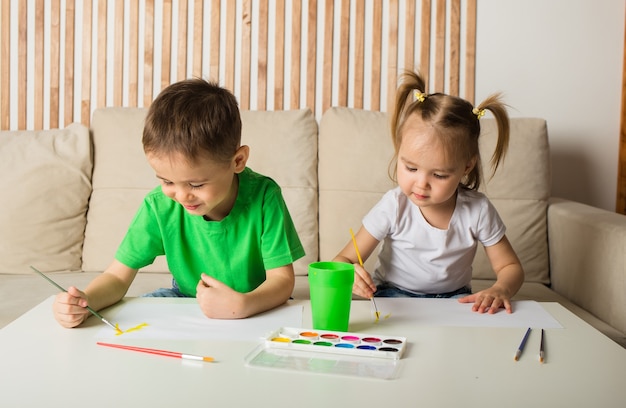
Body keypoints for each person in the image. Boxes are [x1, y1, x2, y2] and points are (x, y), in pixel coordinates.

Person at [53, 78, 305, 327]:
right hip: (188, 299)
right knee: (139, 321)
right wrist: (86, 302)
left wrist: (242, 305)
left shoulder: (264, 197)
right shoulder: (158, 205)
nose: (182, 196)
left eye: (196, 185)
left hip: (256, 303)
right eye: (167, 181)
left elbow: (282, 281)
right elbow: (117, 276)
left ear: (238, 161)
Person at [333, 71, 524, 314]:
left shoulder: (478, 209)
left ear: (467, 166)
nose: (421, 184)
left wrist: (501, 289)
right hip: (393, 294)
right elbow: (342, 260)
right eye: (410, 167)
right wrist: (350, 274)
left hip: (456, 299)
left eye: (439, 175)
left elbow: (510, 266)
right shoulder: (394, 205)